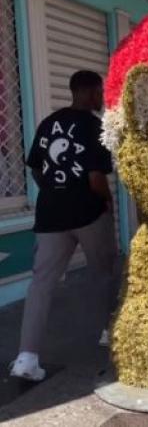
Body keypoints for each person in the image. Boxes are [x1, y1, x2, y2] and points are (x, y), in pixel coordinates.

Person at [11, 71, 118, 381]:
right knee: (105, 272)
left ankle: (26, 358)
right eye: (100, 92)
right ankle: (111, 331)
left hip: (50, 215)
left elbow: (34, 167)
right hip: (88, 213)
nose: (101, 98)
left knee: (41, 282)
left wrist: (52, 189)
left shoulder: (48, 123)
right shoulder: (95, 127)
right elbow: (96, 178)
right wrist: (107, 201)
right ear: (90, 92)